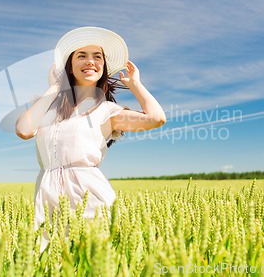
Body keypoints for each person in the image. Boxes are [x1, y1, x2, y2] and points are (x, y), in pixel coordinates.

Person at [15, 26, 165, 249]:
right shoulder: (49, 110)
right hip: (47, 195)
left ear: (103, 66)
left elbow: (156, 118)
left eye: (97, 57)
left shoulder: (107, 111)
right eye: (81, 56)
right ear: (70, 66)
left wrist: (136, 85)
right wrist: (55, 88)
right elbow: (24, 130)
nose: (90, 61)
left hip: (90, 195)